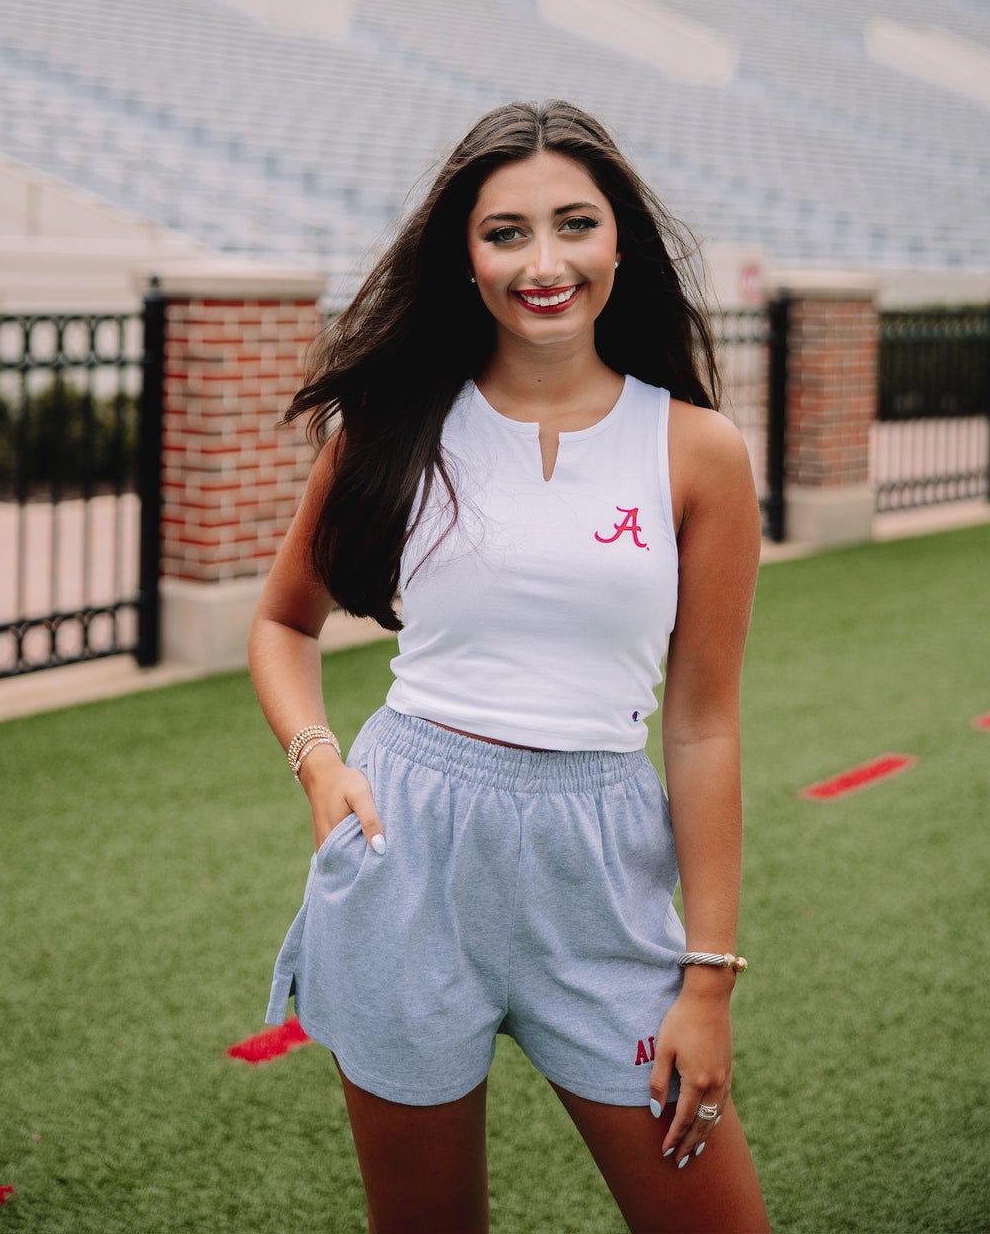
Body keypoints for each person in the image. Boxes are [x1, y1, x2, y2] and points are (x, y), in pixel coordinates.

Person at [249, 99, 771, 1234]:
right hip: (404, 849)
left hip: (598, 861)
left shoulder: (698, 453)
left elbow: (705, 724)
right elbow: (283, 623)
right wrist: (319, 764)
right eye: (506, 234)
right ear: (466, 260)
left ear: (619, 243)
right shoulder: (391, 425)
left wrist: (710, 976)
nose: (545, 263)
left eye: (574, 225)